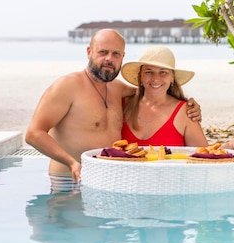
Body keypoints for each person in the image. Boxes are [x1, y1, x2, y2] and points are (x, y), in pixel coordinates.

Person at [24, 29, 202, 189]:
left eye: (116, 54)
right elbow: (33, 134)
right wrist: (71, 162)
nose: (109, 58)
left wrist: (189, 105)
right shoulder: (67, 86)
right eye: (103, 52)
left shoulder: (118, 90)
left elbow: (153, 92)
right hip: (69, 179)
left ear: (122, 57)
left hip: (108, 181)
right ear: (89, 52)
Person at [121, 45, 234, 151]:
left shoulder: (185, 111)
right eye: (149, 72)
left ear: (172, 78)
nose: (155, 78)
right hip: (128, 182)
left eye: (163, 72)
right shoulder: (122, 105)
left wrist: (227, 147)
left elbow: (203, 154)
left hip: (171, 182)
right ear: (141, 77)